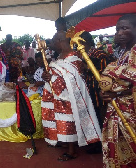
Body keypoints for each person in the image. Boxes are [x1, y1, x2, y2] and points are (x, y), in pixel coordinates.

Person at [41, 31, 101, 161]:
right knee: (60, 120)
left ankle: (71, 151)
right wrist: (47, 76)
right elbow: (56, 74)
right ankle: (63, 141)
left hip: (69, 96)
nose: (51, 45)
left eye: (53, 41)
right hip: (57, 95)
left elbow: (72, 78)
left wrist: (53, 78)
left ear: (60, 41)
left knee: (69, 121)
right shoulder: (59, 56)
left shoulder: (75, 57)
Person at [99, 14, 136, 168]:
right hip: (117, 108)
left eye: (125, 28)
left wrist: (115, 91)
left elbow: (128, 81)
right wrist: (107, 92)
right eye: (118, 29)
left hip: (130, 111)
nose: (119, 32)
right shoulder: (122, 53)